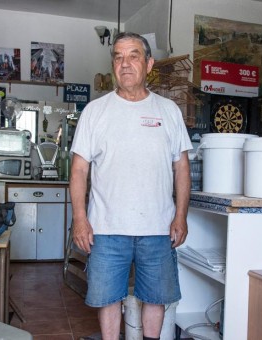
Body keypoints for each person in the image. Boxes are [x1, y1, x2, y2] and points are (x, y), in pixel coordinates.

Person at [69, 32, 192, 340]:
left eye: (133, 56)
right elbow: (79, 169)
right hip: (107, 228)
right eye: (118, 57)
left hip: (158, 227)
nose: (125, 64)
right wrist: (80, 220)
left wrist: (180, 215)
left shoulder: (169, 111)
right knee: (108, 297)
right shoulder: (95, 112)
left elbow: (182, 167)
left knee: (157, 296)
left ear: (148, 64)